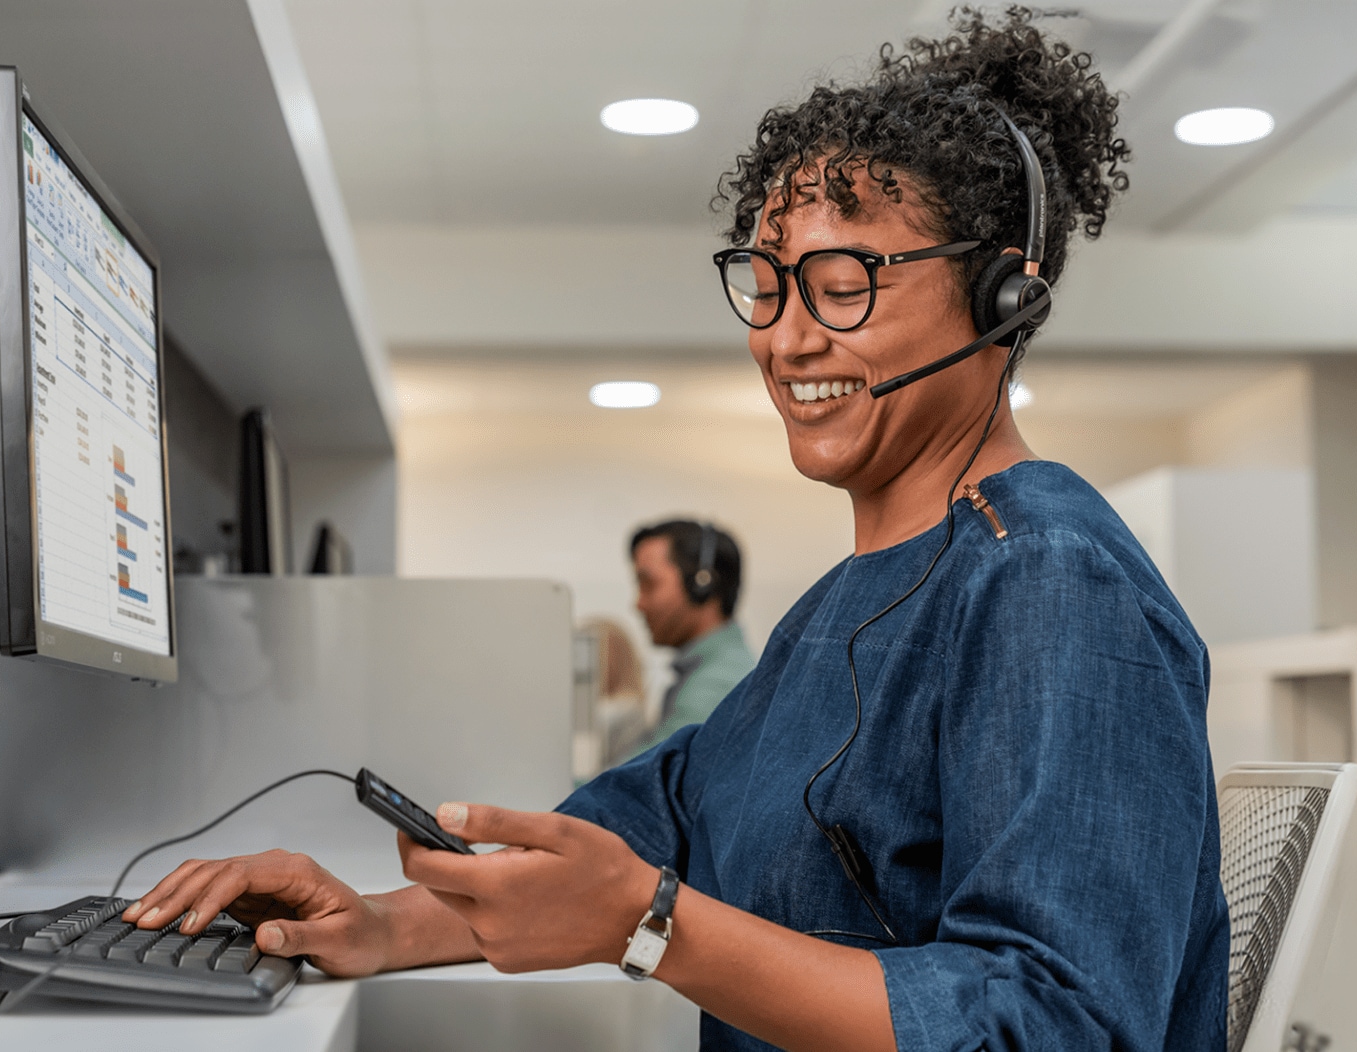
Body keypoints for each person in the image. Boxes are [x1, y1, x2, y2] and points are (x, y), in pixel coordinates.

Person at [118, 10, 1228, 1050]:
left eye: (841, 283)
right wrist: (372, 922)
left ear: (1001, 300)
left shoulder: (1050, 582)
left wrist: (648, 926)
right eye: (767, 284)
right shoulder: (847, 602)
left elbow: (1052, 1021)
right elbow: (661, 819)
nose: (787, 340)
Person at [629, 520, 755, 749]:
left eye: (649, 584)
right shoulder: (712, 669)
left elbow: (641, 780)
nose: (638, 604)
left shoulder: (716, 684)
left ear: (701, 585)